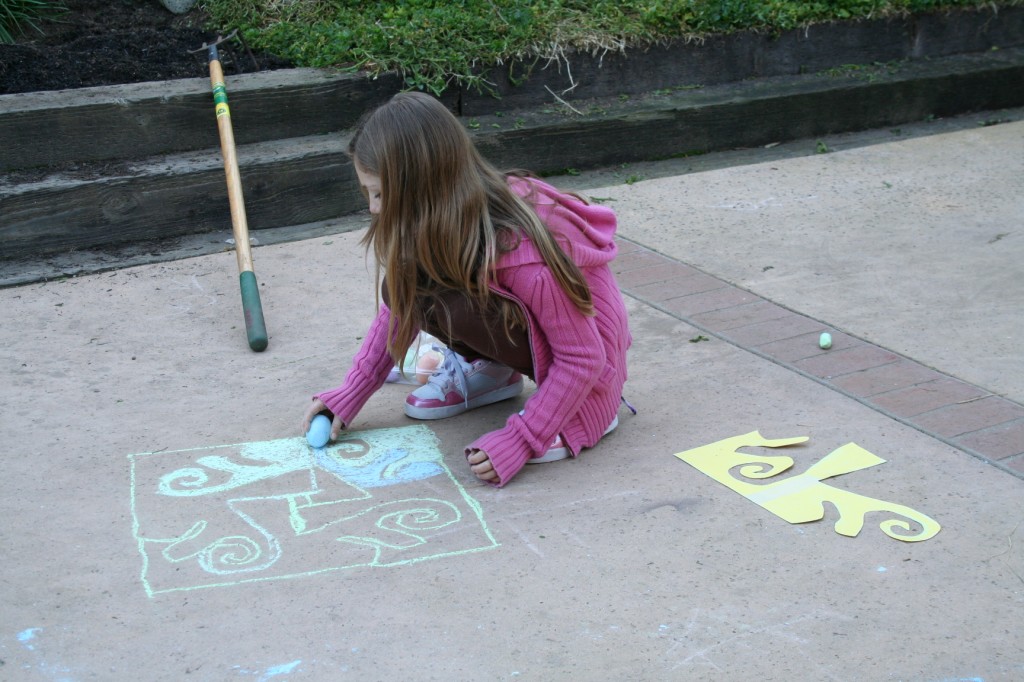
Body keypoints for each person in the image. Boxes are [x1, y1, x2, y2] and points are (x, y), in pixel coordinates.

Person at [301, 91, 632, 486]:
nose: (373, 208)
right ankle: (493, 370)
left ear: (423, 191)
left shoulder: (524, 254)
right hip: (536, 338)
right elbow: (400, 307)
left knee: (446, 289)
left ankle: (585, 409)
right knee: (409, 283)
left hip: (594, 373)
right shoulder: (438, 222)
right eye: (369, 193)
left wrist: (523, 439)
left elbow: (583, 358)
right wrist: (352, 392)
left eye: (380, 194)